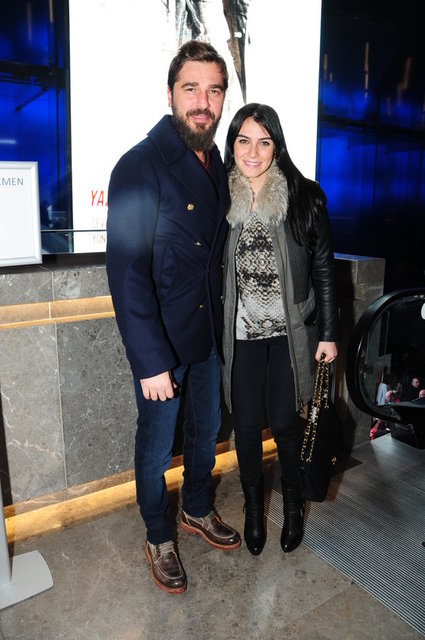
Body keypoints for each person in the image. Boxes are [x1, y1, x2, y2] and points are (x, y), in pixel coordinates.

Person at [106, 40, 241, 596]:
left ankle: (197, 507)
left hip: (206, 337)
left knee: (206, 433)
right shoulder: (139, 165)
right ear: (170, 94)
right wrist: (149, 361)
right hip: (162, 344)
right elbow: (127, 273)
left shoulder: (217, 165)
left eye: (214, 90)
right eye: (191, 89)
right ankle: (159, 534)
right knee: (157, 446)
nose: (203, 102)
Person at [222, 103, 339, 556]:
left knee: (288, 428)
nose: (253, 152)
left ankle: (292, 510)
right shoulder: (220, 197)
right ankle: (254, 511)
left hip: (290, 337)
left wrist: (328, 333)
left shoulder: (303, 197)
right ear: (232, 145)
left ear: (277, 146)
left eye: (264, 142)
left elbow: (324, 270)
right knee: (247, 429)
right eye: (244, 140)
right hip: (242, 338)